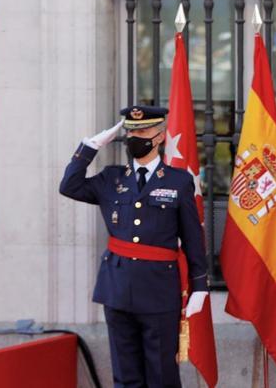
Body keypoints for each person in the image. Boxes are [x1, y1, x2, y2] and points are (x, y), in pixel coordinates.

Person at [59, 106, 209, 388]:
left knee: (162, 375)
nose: (134, 137)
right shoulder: (110, 178)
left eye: (142, 131)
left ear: (160, 136)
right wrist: (90, 146)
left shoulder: (178, 181)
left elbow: (191, 237)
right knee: (126, 376)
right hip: (116, 287)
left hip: (159, 289)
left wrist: (199, 284)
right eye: (130, 132)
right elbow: (69, 186)